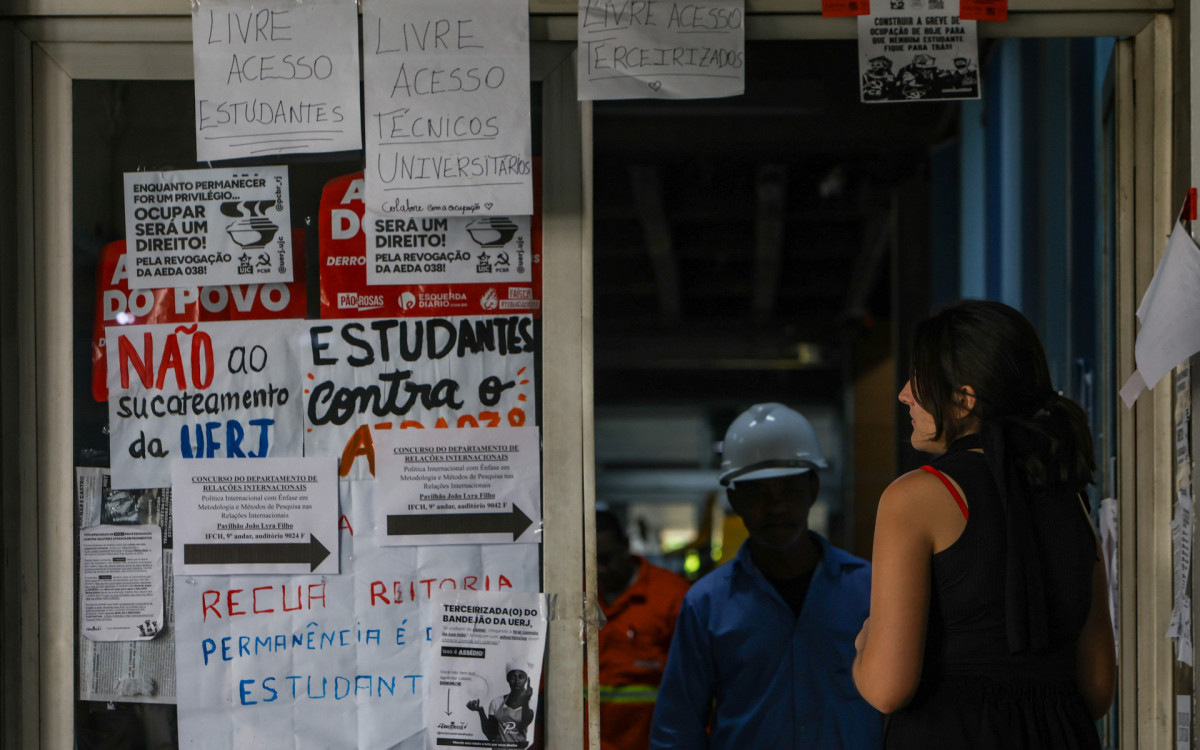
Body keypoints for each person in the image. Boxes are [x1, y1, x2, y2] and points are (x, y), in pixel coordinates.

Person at [852, 299, 1116, 748]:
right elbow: (1096, 689)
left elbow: (887, 688)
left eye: (919, 379)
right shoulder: (1068, 498)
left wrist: (863, 645)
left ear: (964, 400)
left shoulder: (915, 496)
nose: (904, 394)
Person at [650, 403, 882, 749]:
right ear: (735, 500)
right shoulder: (706, 605)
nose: (776, 507)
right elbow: (677, 731)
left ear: (813, 489)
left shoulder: (870, 590)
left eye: (788, 489)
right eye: (758, 493)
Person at [595, 510, 690, 750]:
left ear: (626, 546)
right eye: (588, 560)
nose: (598, 570)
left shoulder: (671, 596)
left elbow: (695, 684)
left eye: (605, 559)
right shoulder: (574, 594)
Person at [466, 665, 534, 749]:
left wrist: (525, 701)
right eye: (513, 677)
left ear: (526, 680)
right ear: (508, 680)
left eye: (521, 677)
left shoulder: (530, 703)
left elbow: (524, 722)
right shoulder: (496, 702)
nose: (517, 681)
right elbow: (491, 735)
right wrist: (480, 711)